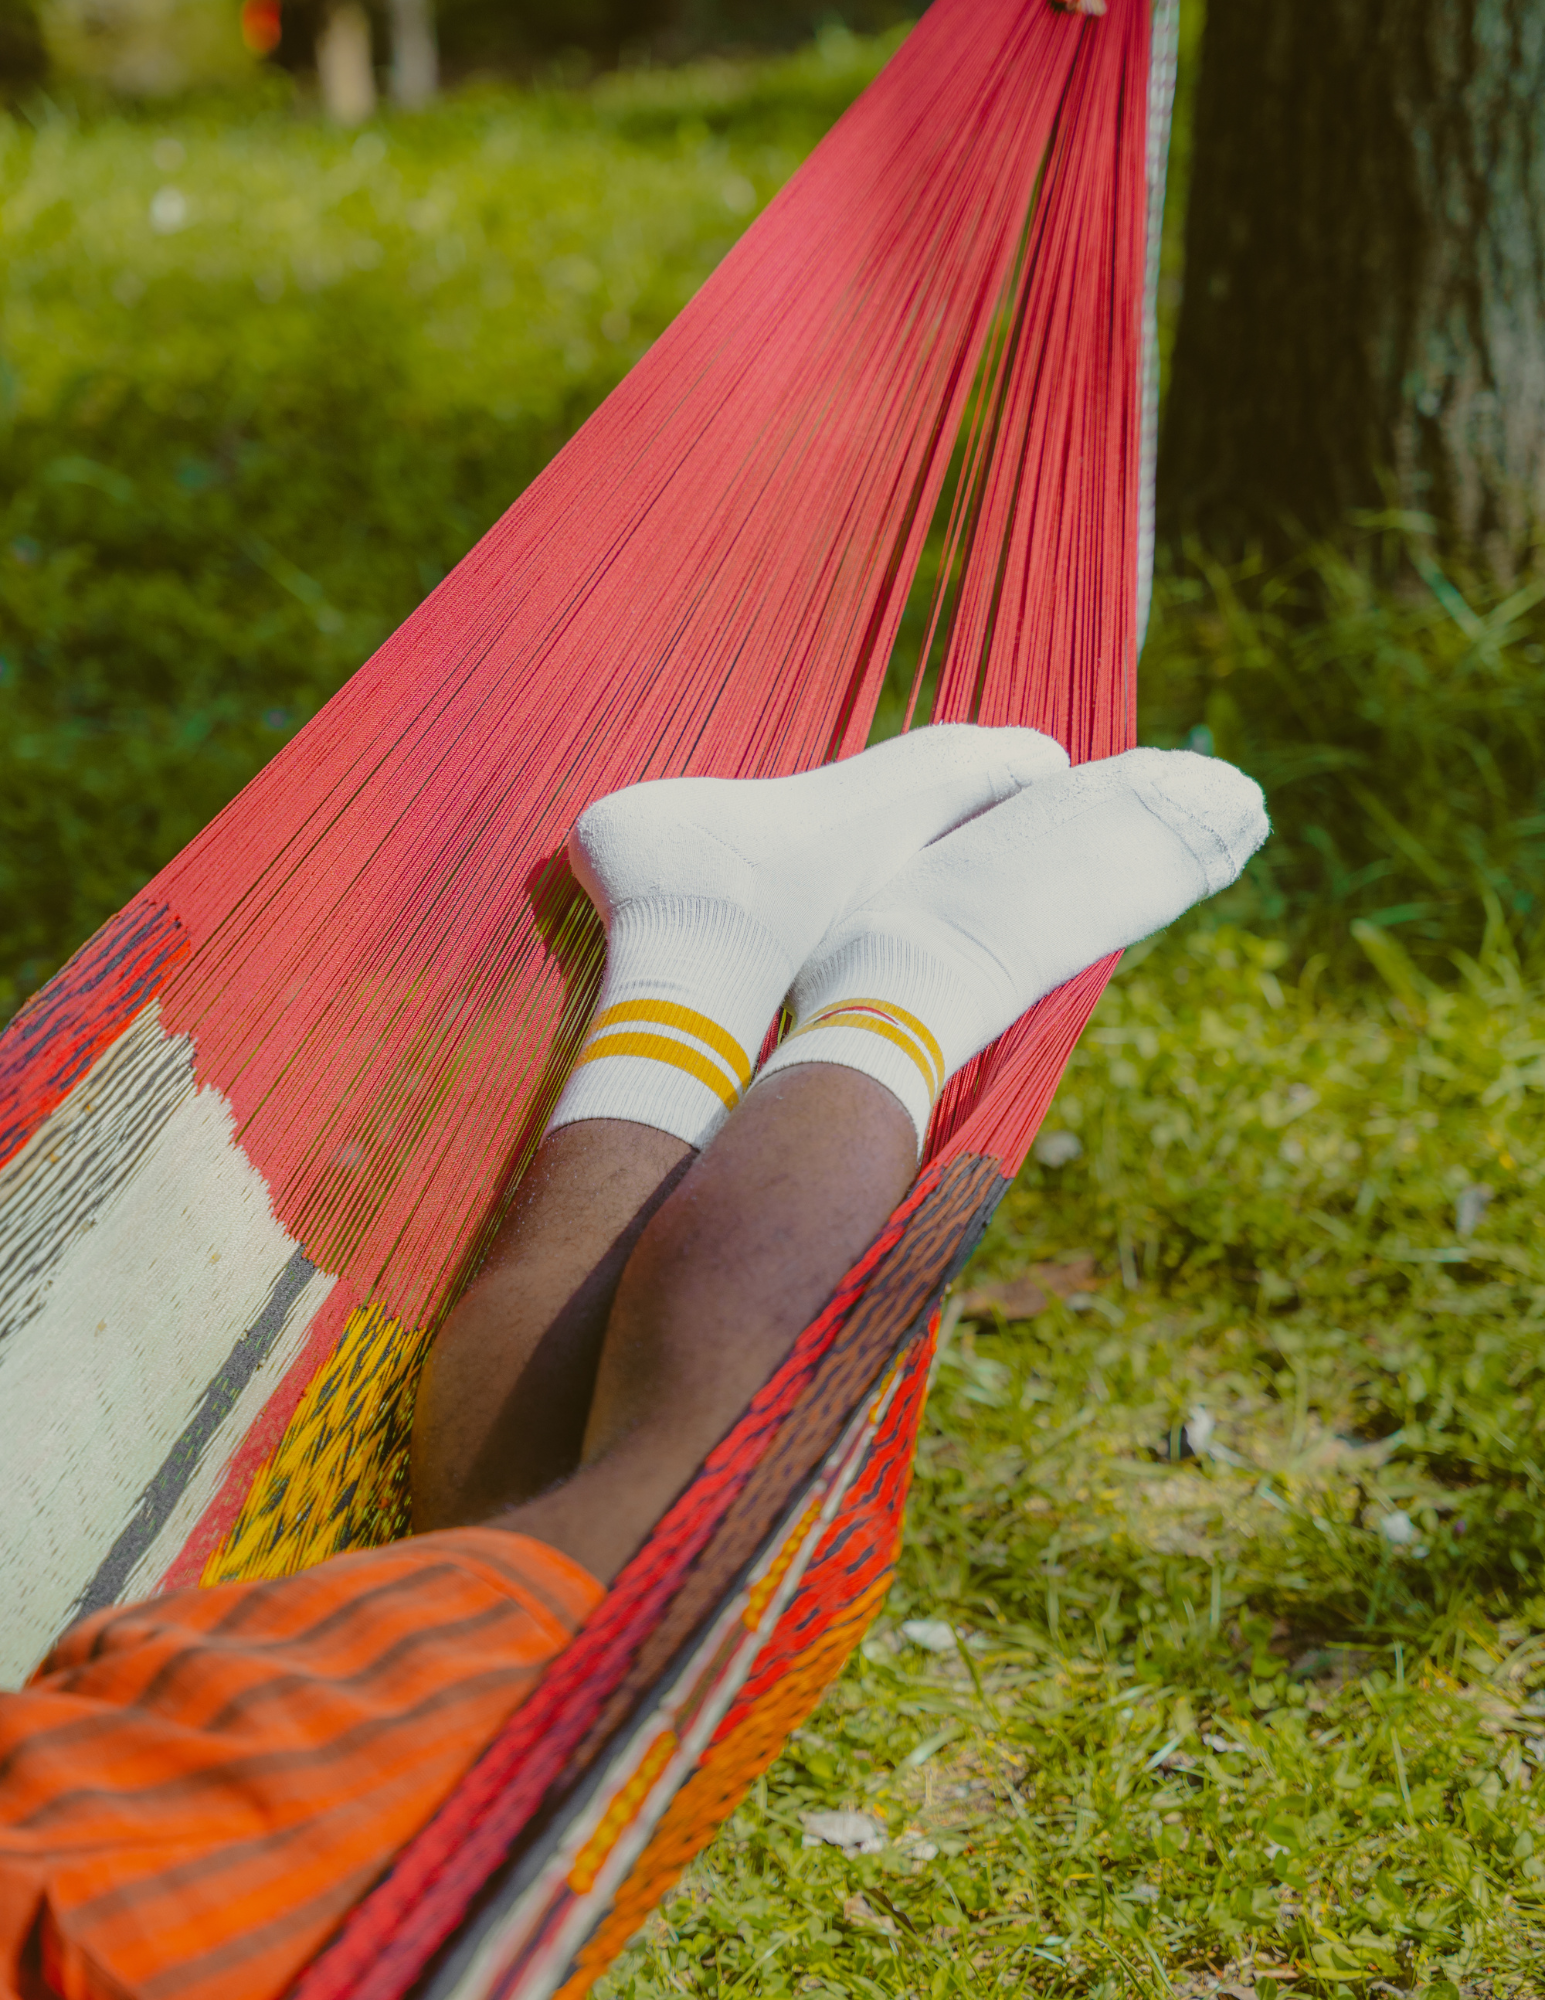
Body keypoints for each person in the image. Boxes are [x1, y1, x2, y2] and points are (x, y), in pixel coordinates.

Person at [0, 727, 1267, 2000]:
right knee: (522, 1576)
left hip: (136, 1899)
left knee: (662, 1564)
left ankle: (913, 974)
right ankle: (705, 943)